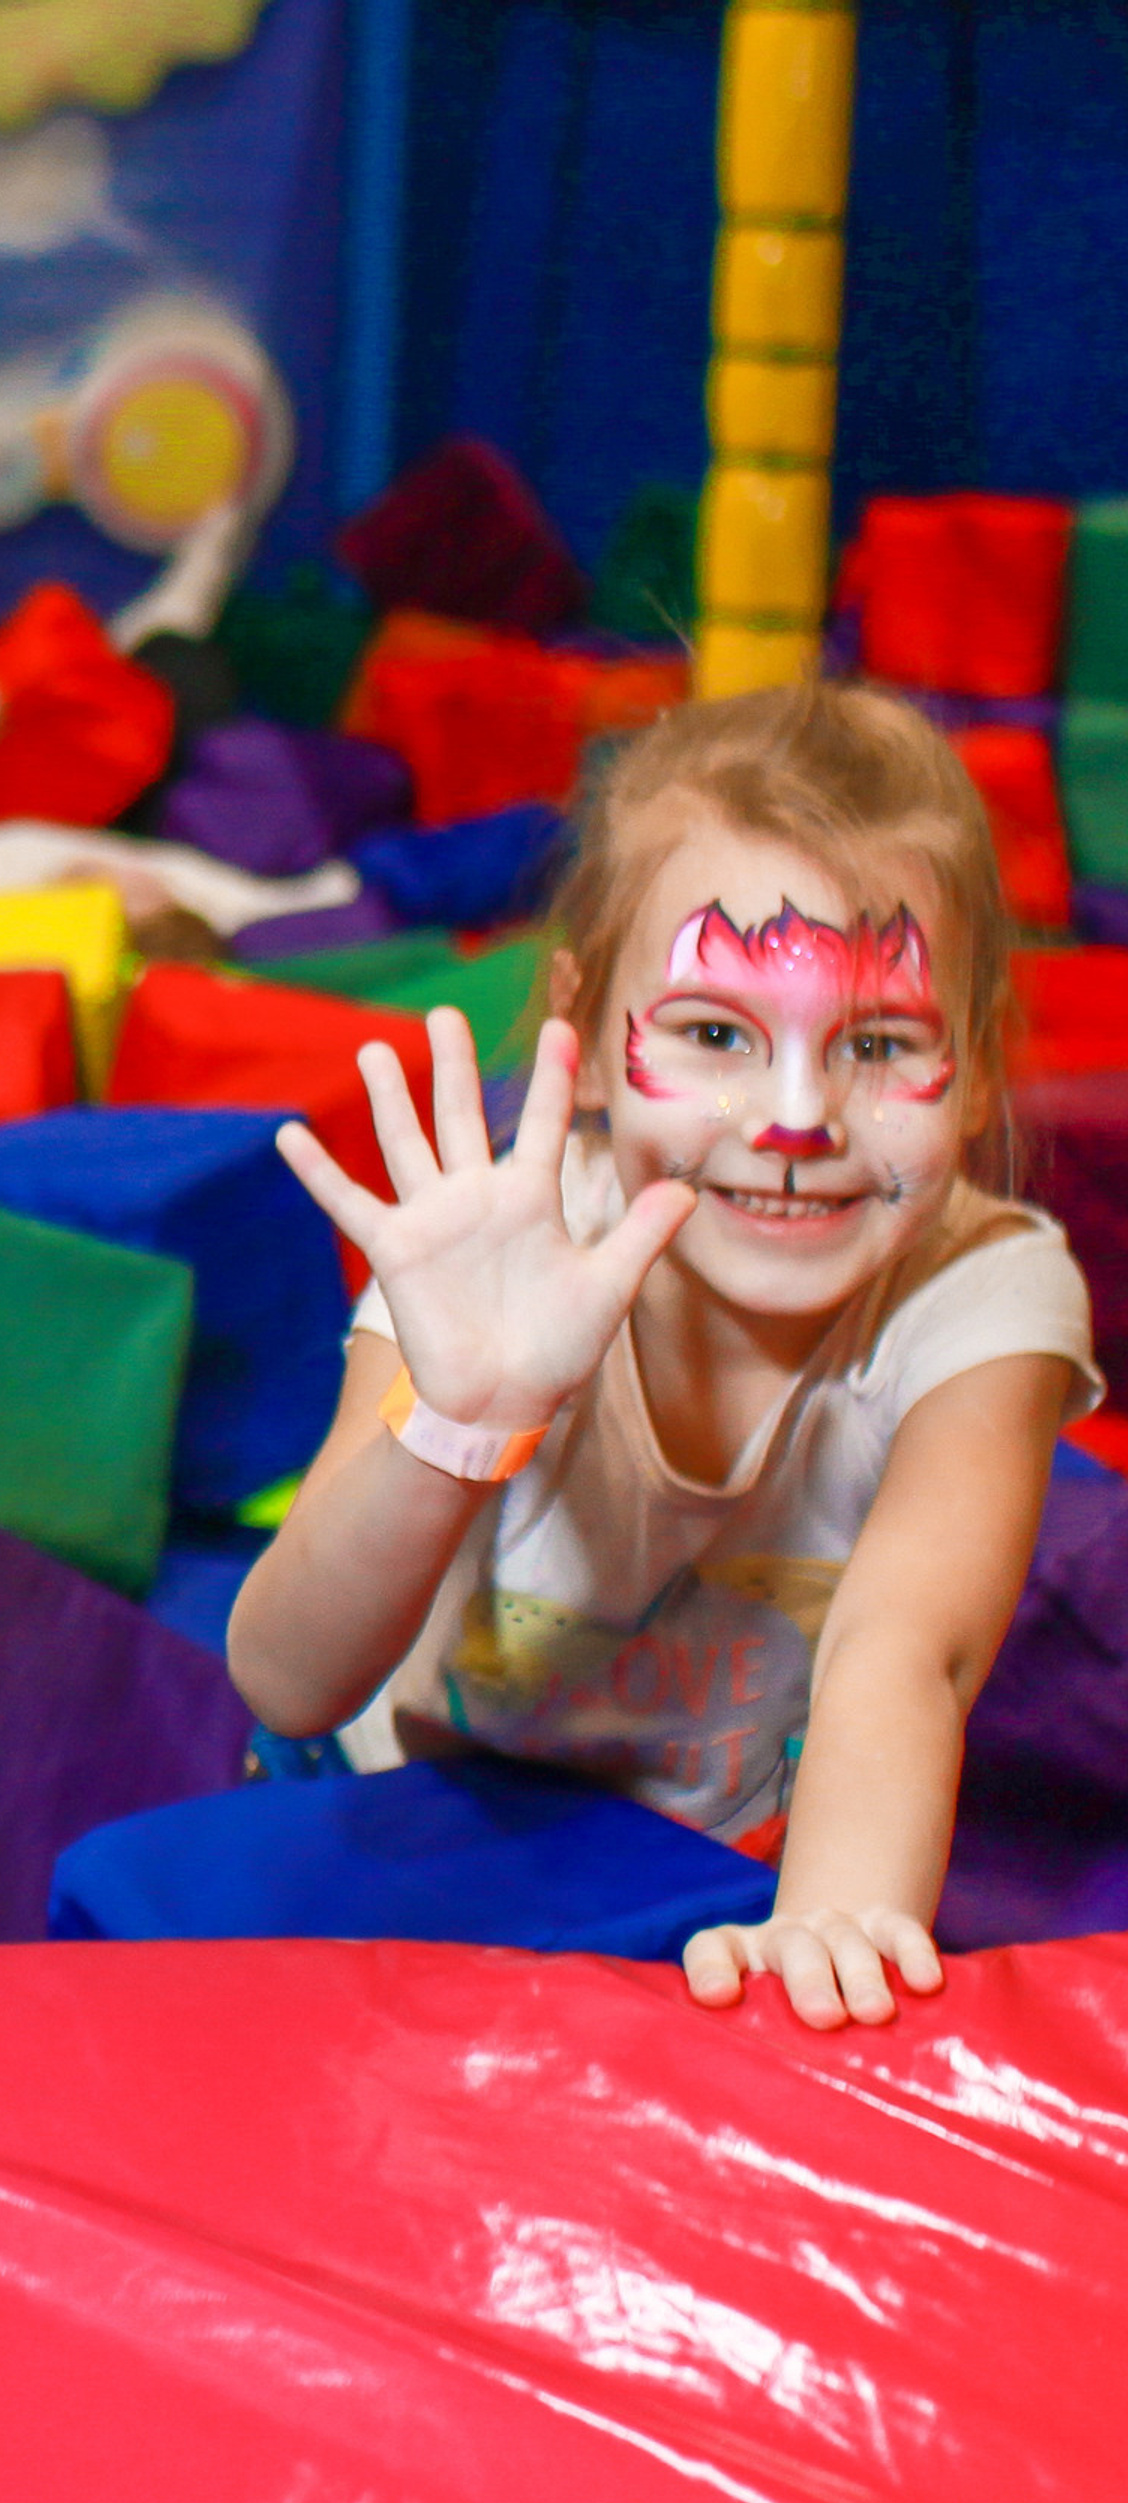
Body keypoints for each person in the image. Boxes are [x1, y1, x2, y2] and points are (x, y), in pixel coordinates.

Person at [229, 683, 1099, 2029]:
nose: (797, 1121)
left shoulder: (982, 1289)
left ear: (977, 1067)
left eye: (878, 1043)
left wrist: (826, 1935)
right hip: (400, 1816)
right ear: (582, 1039)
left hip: (711, 1873)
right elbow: (290, 1678)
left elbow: (904, 1652)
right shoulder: (497, 1262)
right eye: (714, 1034)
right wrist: (457, 1423)